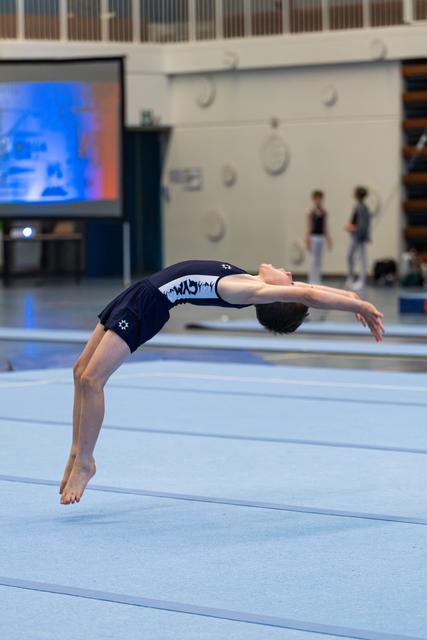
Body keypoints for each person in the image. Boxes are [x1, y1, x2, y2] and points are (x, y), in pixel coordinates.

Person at [60, 260, 384, 505]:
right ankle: (77, 452)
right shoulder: (251, 280)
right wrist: (349, 293)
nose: (286, 270)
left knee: (92, 379)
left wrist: (360, 305)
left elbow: (308, 294)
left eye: (287, 277)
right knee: (79, 371)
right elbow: (308, 291)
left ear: (274, 297)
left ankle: (86, 462)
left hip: (149, 304)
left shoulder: (247, 290)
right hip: (139, 291)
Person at [345, 186, 372, 290]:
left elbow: (362, 225)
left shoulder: (362, 208)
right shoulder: (359, 206)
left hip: (359, 237)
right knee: (351, 257)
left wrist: (352, 228)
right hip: (356, 236)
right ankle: (351, 278)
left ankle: (362, 281)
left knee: (361, 259)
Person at [305, 190, 332, 284]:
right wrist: (307, 239)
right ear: (313, 199)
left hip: (321, 237)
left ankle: (318, 279)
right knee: (313, 259)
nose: (318, 200)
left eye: (320, 198)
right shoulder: (310, 212)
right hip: (314, 237)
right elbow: (308, 226)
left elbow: (325, 227)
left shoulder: (324, 212)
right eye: (316, 198)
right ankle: (311, 280)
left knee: (320, 259)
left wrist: (329, 240)